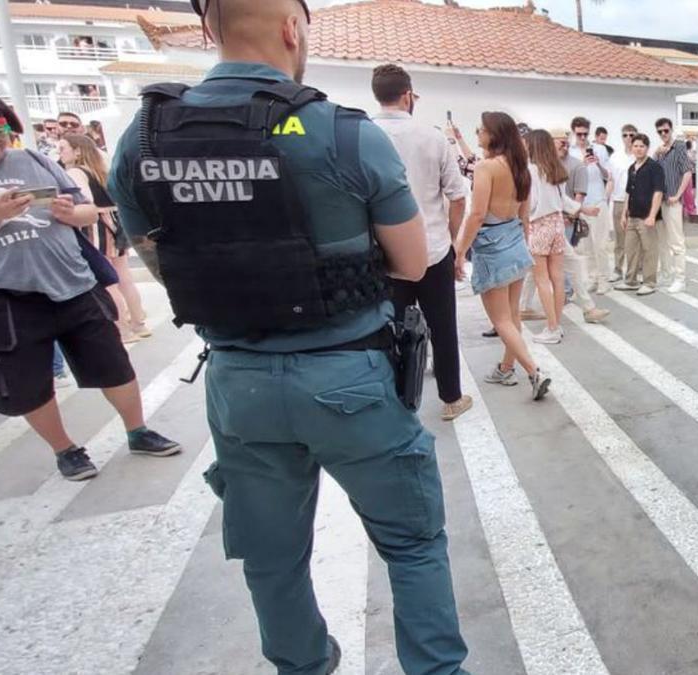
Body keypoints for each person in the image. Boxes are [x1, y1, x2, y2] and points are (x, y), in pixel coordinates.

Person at [109, 1, 471, 672]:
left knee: (272, 561)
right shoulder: (340, 132)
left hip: (239, 383)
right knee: (413, 544)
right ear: (290, 28)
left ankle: (303, 664)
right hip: (348, 376)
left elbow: (160, 264)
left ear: (210, 29)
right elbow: (413, 264)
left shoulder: (144, 138)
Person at [0, 78, 180, 481]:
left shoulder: (32, 159)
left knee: (114, 364)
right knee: (29, 383)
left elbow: (90, 211)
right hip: (7, 295)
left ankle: (138, 430)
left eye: (1, 132)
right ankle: (66, 450)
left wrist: (74, 213)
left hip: (72, 282)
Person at [370, 64, 473, 422]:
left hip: (384, 256)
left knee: (391, 329)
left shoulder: (362, 135)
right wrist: (452, 242)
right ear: (408, 95)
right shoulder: (433, 137)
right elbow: (458, 196)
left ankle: (398, 399)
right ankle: (451, 398)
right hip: (432, 249)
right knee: (442, 325)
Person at [453, 111, 552, 401]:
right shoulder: (521, 167)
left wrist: (459, 251)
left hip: (492, 245)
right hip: (515, 241)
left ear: (494, 134)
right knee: (511, 315)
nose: (478, 133)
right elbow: (525, 216)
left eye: (481, 129)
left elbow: (478, 213)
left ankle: (534, 371)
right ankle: (506, 368)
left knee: (501, 320)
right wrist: (521, 244)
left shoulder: (487, 167)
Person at [58, 134, 152, 344]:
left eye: (63, 148)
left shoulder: (76, 172)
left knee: (107, 279)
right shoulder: (100, 168)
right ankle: (138, 323)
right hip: (115, 221)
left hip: (97, 225)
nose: (60, 153)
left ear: (78, 150)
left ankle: (123, 329)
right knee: (123, 275)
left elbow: (85, 200)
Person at [525, 129, 586, 344]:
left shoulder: (530, 170)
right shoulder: (556, 169)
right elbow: (562, 201)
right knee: (558, 278)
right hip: (557, 223)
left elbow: (530, 204)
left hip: (538, 225)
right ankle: (556, 325)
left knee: (541, 279)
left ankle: (551, 328)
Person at [616, 133, 664, 295]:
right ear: (631, 147)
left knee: (650, 250)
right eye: (635, 146)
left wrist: (652, 215)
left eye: (641, 146)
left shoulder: (654, 167)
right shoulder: (632, 168)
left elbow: (658, 192)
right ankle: (631, 281)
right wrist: (624, 214)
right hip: (632, 216)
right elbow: (628, 193)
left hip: (647, 217)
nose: (638, 149)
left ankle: (650, 282)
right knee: (631, 250)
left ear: (647, 148)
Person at [570, 116, 614, 294]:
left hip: (598, 201)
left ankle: (604, 279)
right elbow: (569, 176)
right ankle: (592, 277)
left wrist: (598, 164)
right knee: (585, 246)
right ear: (574, 132)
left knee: (601, 244)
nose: (582, 137)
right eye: (579, 134)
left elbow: (609, 176)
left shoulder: (600, 149)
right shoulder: (570, 151)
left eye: (585, 134)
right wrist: (583, 163)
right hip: (581, 203)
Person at [653, 117, 692, 292]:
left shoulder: (680, 147)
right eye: (660, 131)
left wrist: (677, 195)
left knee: (676, 242)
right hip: (659, 201)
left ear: (671, 130)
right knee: (661, 241)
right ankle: (666, 273)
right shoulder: (660, 151)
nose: (663, 134)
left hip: (672, 201)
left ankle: (680, 278)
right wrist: (656, 153)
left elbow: (687, 172)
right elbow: (652, 171)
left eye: (666, 130)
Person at [608, 124, 637, 283]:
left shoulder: (640, 155)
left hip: (636, 202)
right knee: (619, 239)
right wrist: (606, 199)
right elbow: (611, 180)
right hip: (619, 200)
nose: (629, 138)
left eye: (631, 135)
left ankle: (635, 270)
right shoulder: (615, 157)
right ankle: (618, 269)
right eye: (625, 135)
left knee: (635, 238)